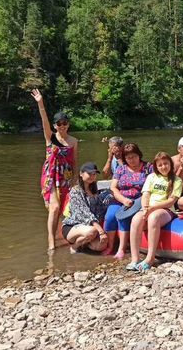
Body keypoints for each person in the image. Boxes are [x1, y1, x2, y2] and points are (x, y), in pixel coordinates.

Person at [31, 89, 78, 252]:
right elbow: (44, 120)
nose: (62, 126)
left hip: (66, 176)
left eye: (65, 123)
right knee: (55, 207)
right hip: (51, 176)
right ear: (55, 126)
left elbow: (74, 161)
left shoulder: (73, 141)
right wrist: (41, 103)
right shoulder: (50, 138)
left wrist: (75, 180)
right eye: (59, 124)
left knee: (65, 208)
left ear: (68, 124)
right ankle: (51, 241)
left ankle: (61, 235)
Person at [127, 152, 183, 272]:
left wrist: (152, 209)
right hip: (149, 208)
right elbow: (145, 194)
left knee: (154, 218)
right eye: (160, 165)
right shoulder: (151, 177)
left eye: (166, 164)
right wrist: (145, 208)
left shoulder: (177, 180)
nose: (163, 167)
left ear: (170, 164)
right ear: (156, 167)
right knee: (136, 219)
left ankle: (150, 258)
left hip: (166, 210)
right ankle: (135, 259)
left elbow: (171, 201)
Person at [102, 143, 153, 259]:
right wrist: (123, 200)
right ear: (125, 158)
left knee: (124, 217)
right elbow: (113, 187)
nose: (132, 160)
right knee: (110, 216)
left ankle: (121, 249)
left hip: (139, 200)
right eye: (129, 157)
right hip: (120, 198)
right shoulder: (121, 169)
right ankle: (110, 246)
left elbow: (155, 183)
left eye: (134, 156)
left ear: (139, 155)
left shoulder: (148, 167)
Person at [61, 162, 110, 254]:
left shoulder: (95, 191)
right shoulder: (75, 191)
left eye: (94, 174)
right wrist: (101, 231)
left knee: (101, 246)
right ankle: (75, 246)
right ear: (81, 174)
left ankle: (84, 244)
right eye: (89, 173)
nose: (92, 176)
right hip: (73, 226)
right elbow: (84, 212)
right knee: (92, 231)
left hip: (91, 227)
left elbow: (100, 210)